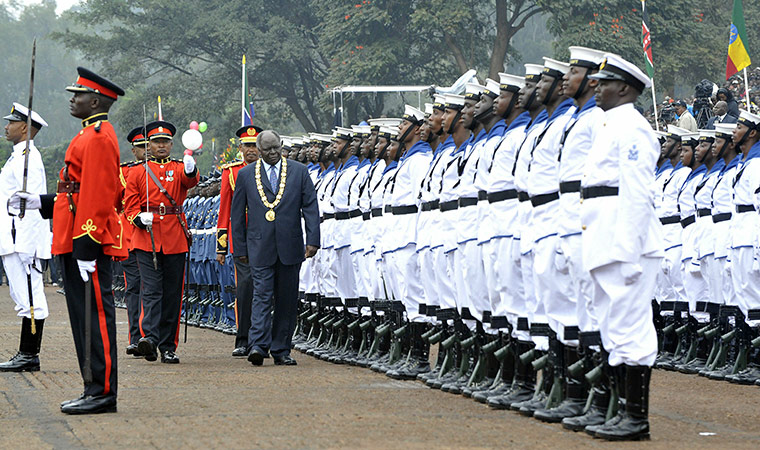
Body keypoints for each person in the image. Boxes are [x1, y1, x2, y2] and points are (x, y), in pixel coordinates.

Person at [12, 67, 126, 414]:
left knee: (94, 319)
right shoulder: (87, 135)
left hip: (84, 241)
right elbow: (73, 190)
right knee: (82, 318)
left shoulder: (98, 138)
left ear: (95, 100)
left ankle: (102, 391)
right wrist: (39, 202)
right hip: (71, 236)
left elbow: (100, 193)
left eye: (77, 95)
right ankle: (92, 386)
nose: (72, 100)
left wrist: (87, 245)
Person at [580, 53, 663, 440]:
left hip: (625, 243)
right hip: (605, 239)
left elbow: (635, 193)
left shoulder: (633, 127)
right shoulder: (612, 125)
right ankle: (619, 412)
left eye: (605, 83)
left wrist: (629, 251)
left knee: (631, 329)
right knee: (612, 328)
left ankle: (636, 418)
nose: (596, 88)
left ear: (625, 89)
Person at [231, 130, 320, 366]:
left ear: (281, 146)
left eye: (276, 148)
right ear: (258, 151)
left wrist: (313, 240)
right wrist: (239, 247)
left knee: (287, 298)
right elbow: (237, 214)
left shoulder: (299, 171)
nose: (273, 154)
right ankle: (258, 345)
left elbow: (310, 206)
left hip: (290, 245)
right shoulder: (246, 174)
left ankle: (281, 349)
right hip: (258, 246)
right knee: (261, 295)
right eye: (267, 150)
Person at [124, 120, 199, 364]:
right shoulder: (137, 171)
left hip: (175, 236)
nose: (161, 146)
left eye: (165, 142)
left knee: (172, 294)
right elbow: (129, 207)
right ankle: (150, 338)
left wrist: (190, 170)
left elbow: (190, 182)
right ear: (149, 144)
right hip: (147, 237)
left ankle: (168, 345)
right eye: (157, 142)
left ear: (171, 144)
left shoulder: (179, 168)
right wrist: (137, 218)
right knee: (151, 291)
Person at [0, 103, 52, 372]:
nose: (6, 126)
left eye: (11, 122)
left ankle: (29, 354)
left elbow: (33, 206)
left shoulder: (30, 158)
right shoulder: (17, 157)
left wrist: (29, 246)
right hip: (11, 239)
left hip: (23, 240)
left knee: (32, 297)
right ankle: (26, 352)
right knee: (21, 295)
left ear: (25, 127)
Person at [217, 125, 262, 357]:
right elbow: (225, 210)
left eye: (255, 145)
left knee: (265, 290)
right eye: (247, 146)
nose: (251, 150)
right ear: (240, 148)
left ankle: (263, 338)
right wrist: (221, 246)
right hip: (242, 239)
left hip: (266, 238)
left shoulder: (271, 170)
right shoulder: (231, 173)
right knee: (244, 290)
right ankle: (243, 338)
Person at [120, 126, 151, 357]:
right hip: (131, 238)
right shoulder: (123, 173)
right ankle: (135, 337)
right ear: (134, 150)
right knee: (134, 289)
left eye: (149, 145)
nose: (147, 150)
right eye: (142, 147)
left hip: (159, 238)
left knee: (153, 290)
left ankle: (151, 335)